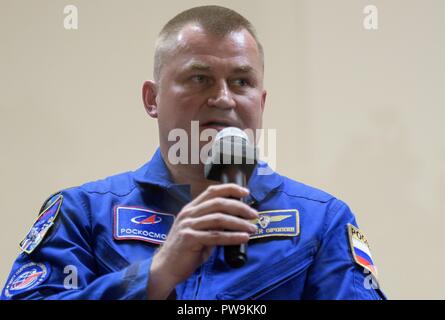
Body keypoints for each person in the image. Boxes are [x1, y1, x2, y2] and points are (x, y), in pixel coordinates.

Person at [1, 5, 386, 300]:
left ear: (261, 101)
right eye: (199, 78)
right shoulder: (82, 214)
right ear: (152, 99)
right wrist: (154, 277)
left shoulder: (322, 221)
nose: (222, 98)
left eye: (242, 82)